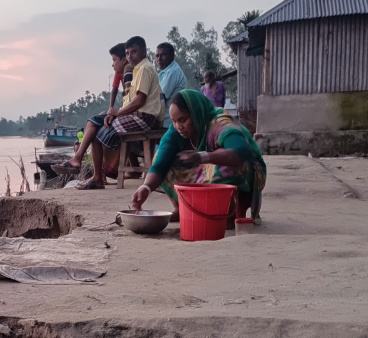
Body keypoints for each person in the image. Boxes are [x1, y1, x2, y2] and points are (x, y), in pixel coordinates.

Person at [130, 90, 266, 225]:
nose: (178, 126)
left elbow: (240, 151)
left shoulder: (219, 122)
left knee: (221, 166)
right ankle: (181, 207)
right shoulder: (175, 132)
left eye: (183, 120)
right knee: (164, 160)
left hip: (245, 170)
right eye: (174, 121)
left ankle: (229, 211)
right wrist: (146, 188)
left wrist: (204, 156)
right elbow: (159, 165)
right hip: (204, 170)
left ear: (195, 114)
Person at [75, 36, 164, 190]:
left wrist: (117, 112)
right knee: (99, 127)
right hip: (140, 116)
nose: (130, 56)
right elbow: (132, 101)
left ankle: (98, 177)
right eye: (128, 53)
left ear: (144, 51)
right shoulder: (138, 69)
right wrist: (116, 113)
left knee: (97, 132)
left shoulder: (144, 69)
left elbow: (139, 101)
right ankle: (97, 176)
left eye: (134, 52)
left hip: (145, 118)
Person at [56, 43, 132, 176]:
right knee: (100, 120)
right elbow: (120, 95)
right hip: (128, 112)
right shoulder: (125, 73)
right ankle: (82, 161)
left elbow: (134, 101)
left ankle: (85, 164)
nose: (112, 65)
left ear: (124, 60)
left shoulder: (129, 73)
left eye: (114, 60)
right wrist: (111, 111)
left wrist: (116, 112)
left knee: (94, 123)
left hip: (131, 115)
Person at [155, 42, 188, 128]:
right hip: (165, 120)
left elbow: (160, 99)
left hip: (168, 121)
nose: (159, 59)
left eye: (163, 55)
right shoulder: (165, 72)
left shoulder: (172, 72)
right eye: (157, 56)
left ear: (172, 56)